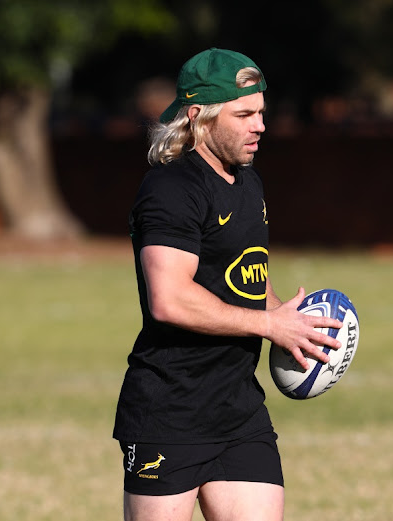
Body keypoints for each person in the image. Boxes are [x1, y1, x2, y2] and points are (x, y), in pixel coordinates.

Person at [113, 48, 343, 521]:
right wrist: (268, 326)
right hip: (168, 413)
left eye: (261, 112)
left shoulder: (247, 181)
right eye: (243, 115)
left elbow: (246, 274)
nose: (259, 125)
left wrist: (291, 324)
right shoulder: (172, 189)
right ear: (199, 116)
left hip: (239, 412)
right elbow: (170, 299)